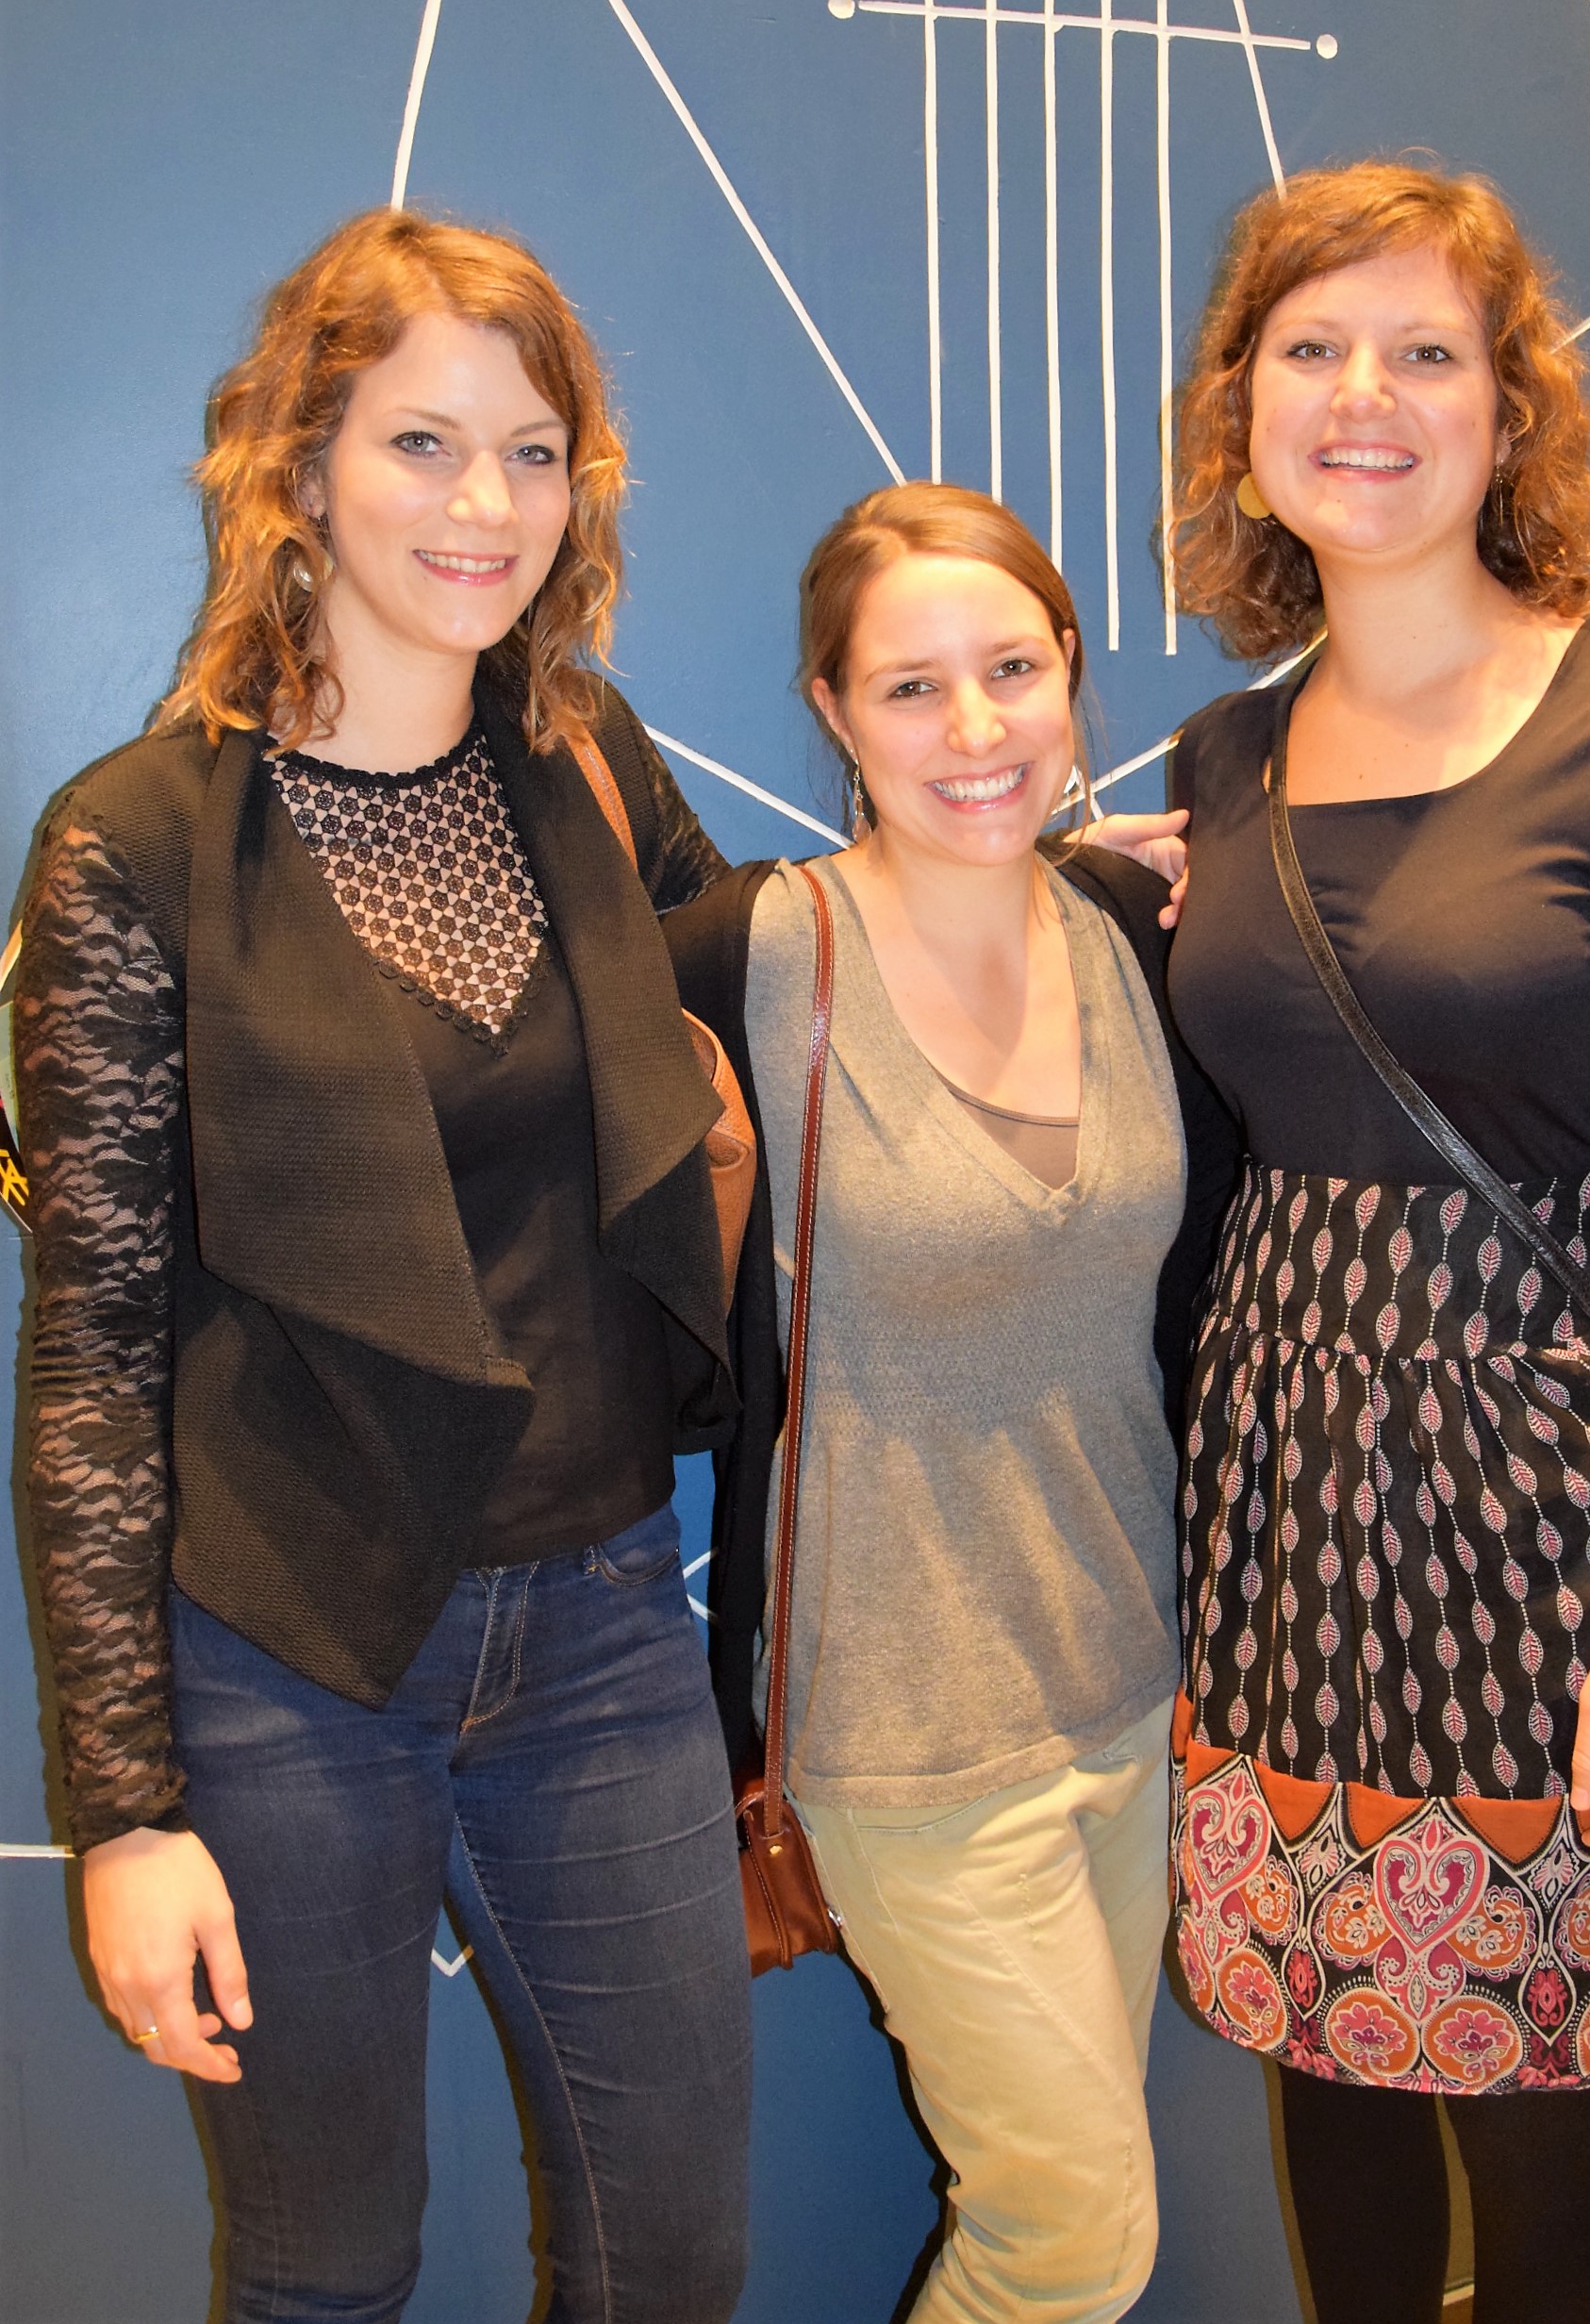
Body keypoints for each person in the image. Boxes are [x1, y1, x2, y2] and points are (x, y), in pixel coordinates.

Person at [16, 208, 754, 2324]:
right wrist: (127, 1811)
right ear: (304, 464)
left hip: (602, 1622)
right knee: (329, 2266)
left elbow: (779, 958)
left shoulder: (587, 761)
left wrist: (1042, 873)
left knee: (673, 2256)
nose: (484, 506)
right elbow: (93, 1349)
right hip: (288, 1659)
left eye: (533, 453)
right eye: (423, 443)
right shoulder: (135, 842)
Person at [1161, 161, 1590, 2324]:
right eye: (1312, 348)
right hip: (1282, 1508)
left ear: (1508, 412)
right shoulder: (1227, 760)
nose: (1365, 394)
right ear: (1244, 405)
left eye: (1425, 350)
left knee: (1534, 2110)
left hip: (1547, 1518)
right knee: (1328, 2065)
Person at [663, 484, 1239, 2324]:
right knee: (1072, 2238)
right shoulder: (756, 957)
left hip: (1136, 1685)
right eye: (910, 687)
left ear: (1071, 670)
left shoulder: (1134, 933)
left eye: (1011, 669)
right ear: (832, 710)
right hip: (900, 1726)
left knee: (1070, 2210)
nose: (974, 726)